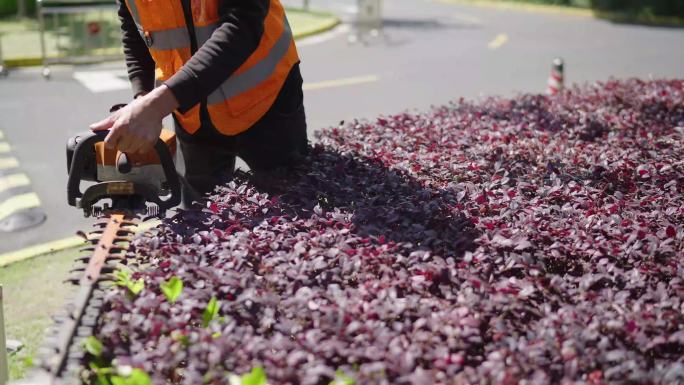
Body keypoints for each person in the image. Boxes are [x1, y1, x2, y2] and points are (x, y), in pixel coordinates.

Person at [90, 0, 308, 207]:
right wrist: (143, 100)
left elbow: (242, 23)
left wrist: (156, 105)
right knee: (202, 222)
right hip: (190, 110)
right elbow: (135, 28)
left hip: (266, 101)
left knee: (290, 209)